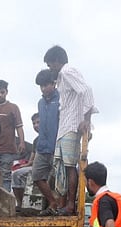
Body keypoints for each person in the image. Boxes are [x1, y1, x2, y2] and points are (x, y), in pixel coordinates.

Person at [43, 45, 97, 215]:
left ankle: (70, 205)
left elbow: (87, 90)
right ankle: (64, 203)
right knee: (62, 167)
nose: (49, 68)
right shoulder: (62, 78)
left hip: (72, 126)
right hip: (65, 126)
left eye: (50, 64)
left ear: (57, 61)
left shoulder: (67, 71)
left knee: (69, 166)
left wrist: (86, 120)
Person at [32, 68, 65, 213]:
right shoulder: (40, 102)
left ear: (54, 84)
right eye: (42, 86)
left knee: (61, 180)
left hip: (56, 146)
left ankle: (62, 207)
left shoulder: (61, 99)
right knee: (37, 176)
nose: (44, 88)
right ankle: (53, 203)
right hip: (42, 147)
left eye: (46, 84)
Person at [11, 114, 38, 211]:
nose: (36, 125)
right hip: (36, 167)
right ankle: (20, 204)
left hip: (48, 167)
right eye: (34, 123)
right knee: (16, 174)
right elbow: (31, 160)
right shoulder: (36, 141)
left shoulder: (51, 137)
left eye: (38, 122)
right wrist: (23, 165)